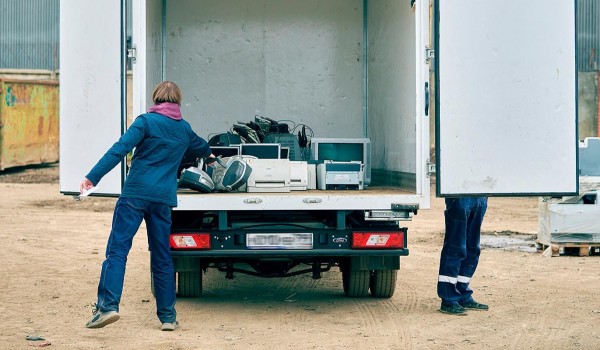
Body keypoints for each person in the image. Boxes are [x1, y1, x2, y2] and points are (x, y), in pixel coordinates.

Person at [80, 81, 212, 330]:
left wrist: (92, 177)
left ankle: (108, 307)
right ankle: (168, 318)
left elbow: (119, 149)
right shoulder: (184, 129)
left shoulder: (145, 121)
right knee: (162, 257)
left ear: (157, 99)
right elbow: (202, 147)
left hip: (135, 196)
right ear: (177, 102)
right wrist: (211, 155)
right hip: (162, 201)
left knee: (117, 251)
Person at [437, 197, 489, 315]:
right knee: (455, 247)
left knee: (472, 249)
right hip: (459, 195)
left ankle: (462, 293)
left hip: (480, 196)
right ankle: (449, 299)